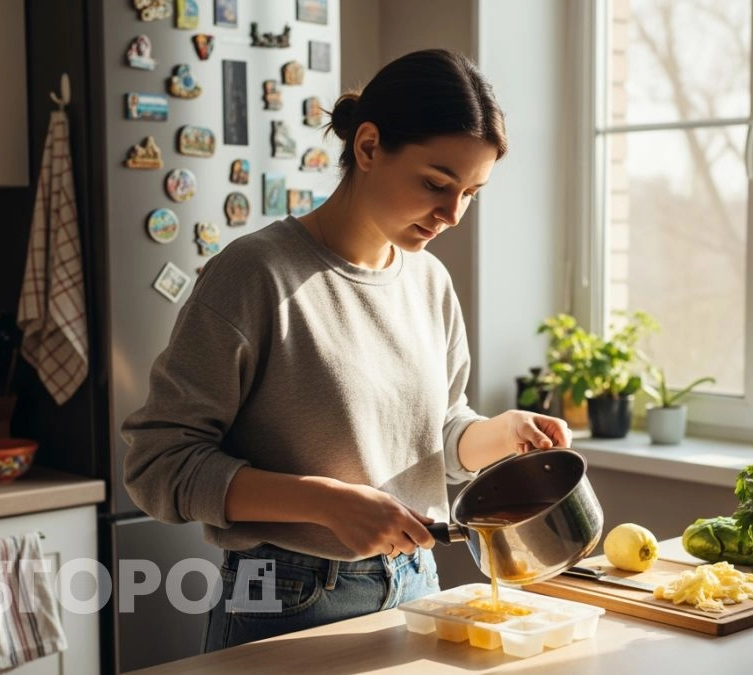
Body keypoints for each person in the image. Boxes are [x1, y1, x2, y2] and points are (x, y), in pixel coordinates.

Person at [121, 48, 572, 653]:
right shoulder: (255, 274)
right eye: (437, 184)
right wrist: (324, 503)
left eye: (471, 193)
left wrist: (498, 434)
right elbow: (157, 463)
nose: (452, 214)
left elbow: (432, 432)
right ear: (366, 147)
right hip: (284, 595)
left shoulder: (429, 281)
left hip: (419, 587)